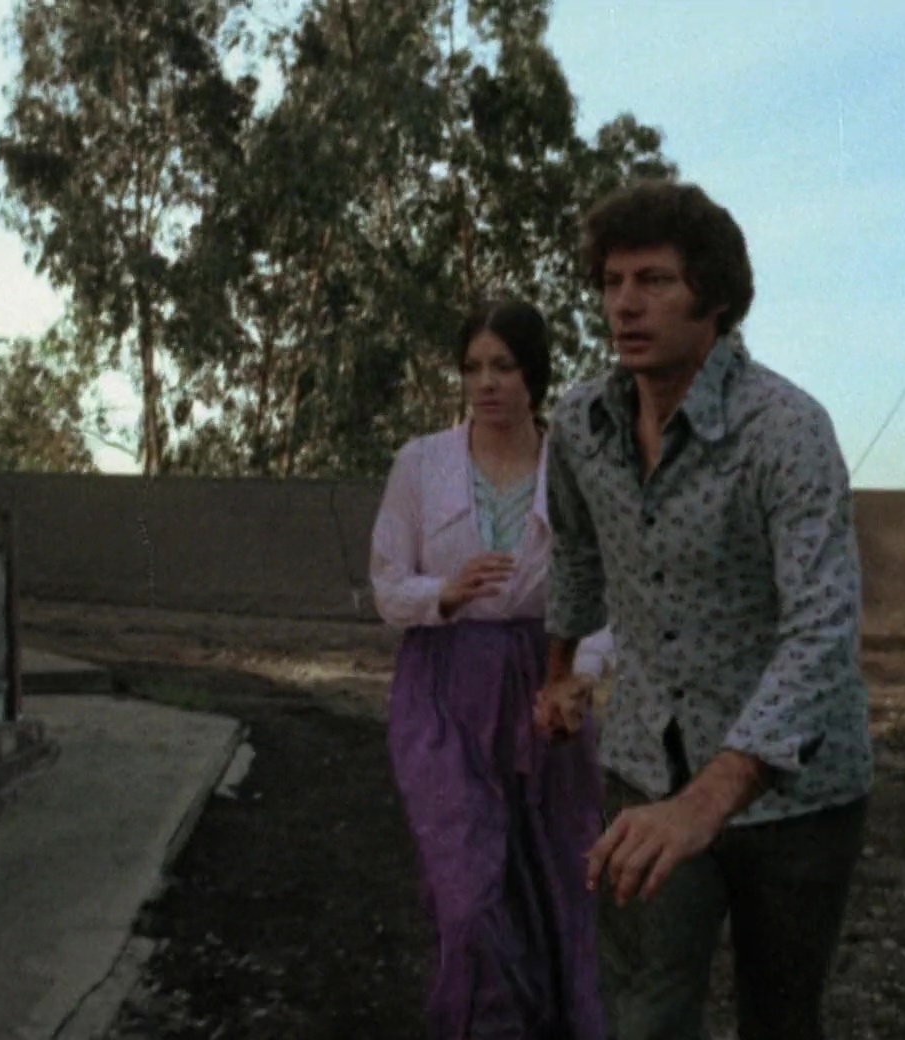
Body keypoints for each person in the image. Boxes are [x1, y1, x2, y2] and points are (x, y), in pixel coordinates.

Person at [532, 180, 874, 1040]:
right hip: (644, 770)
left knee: (781, 1019)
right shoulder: (579, 425)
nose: (624, 304)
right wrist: (559, 673)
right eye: (612, 282)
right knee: (645, 1017)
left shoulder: (785, 430)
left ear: (714, 297)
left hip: (798, 796)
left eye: (654, 280)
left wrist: (708, 800)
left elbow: (823, 628)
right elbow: (575, 551)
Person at [371, 299, 611, 1040]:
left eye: (503, 366)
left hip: (544, 680)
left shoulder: (574, 468)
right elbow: (386, 584)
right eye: (473, 367)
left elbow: (607, 592)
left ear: (533, 373)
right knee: (468, 888)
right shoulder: (420, 465)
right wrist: (442, 594)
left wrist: (578, 675)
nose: (486, 383)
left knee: (554, 880)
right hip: (443, 688)